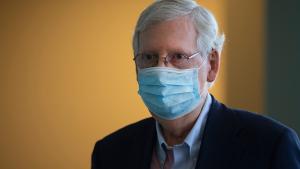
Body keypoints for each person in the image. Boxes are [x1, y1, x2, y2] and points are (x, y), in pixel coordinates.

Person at [91, 0, 300, 169]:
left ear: (211, 64)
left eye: (179, 56)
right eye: (148, 57)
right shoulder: (111, 153)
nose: (162, 71)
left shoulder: (271, 145)